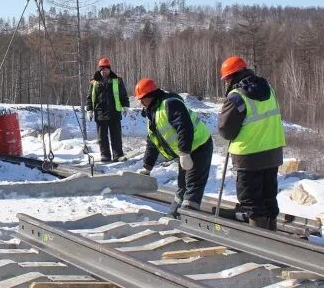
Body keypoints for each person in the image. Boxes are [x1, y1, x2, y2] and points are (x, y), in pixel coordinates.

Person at [218, 56, 285, 230]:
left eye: (226, 80)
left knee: (251, 201)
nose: (226, 83)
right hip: (272, 152)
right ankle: (272, 233)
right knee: (268, 196)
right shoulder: (268, 88)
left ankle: (259, 240)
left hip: (248, 156)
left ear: (231, 77)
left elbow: (225, 129)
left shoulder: (237, 97)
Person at [135, 78, 213, 218]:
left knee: (193, 187)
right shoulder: (153, 112)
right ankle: (174, 217)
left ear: (151, 96)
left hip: (200, 147)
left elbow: (185, 128)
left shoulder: (170, 104)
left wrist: (184, 153)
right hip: (187, 152)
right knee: (182, 186)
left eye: (143, 99)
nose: (141, 103)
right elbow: (153, 142)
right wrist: (147, 167)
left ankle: (189, 221)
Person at [86, 57, 130, 162]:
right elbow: (90, 97)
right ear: (99, 70)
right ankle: (105, 155)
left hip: (114, 112)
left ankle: (118, 155)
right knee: (102, 137)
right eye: (102, 69)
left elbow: (123, 94)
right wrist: (89, 110)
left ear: (109, 69)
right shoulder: (94, 82)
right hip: (100, 112)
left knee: (116, 135)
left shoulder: (117, 81)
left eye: (106, 69)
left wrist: (125, 105)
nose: (104, 71)